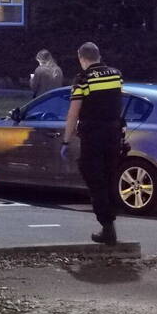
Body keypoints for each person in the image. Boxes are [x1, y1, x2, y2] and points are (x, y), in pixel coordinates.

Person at [61, 42, 124, 245]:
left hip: (93, 135)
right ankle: (110, 221)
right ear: (98, 55)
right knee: (109, 176)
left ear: (81, 58)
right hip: (114, 134)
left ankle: (107, 227)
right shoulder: (116, 74)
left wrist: (66, 139)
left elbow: (73, 112)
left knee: (94, 178)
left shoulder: (83, 79)